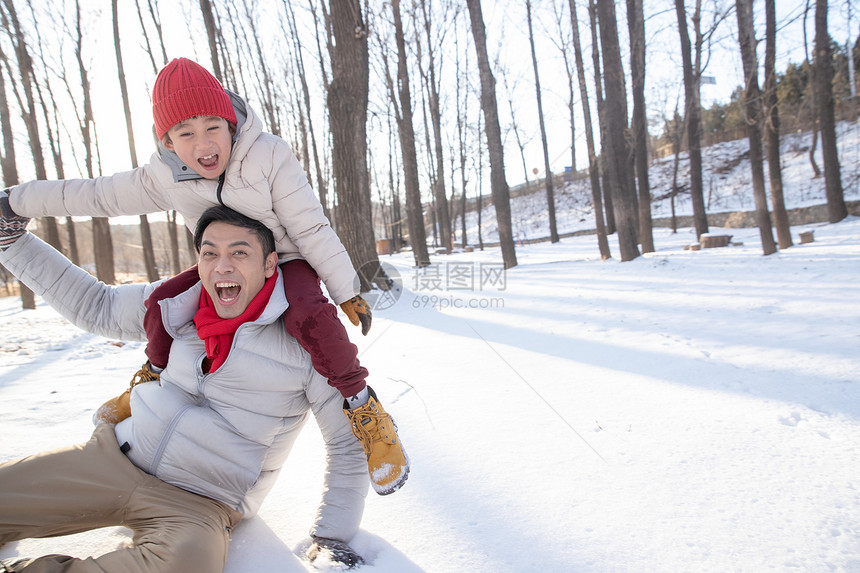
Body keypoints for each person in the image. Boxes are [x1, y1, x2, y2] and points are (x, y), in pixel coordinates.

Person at [4, 57, 408, 495]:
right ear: (169, 142)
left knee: (312, 317)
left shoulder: (267, 155)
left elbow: (311, 226)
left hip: (288, 260)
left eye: (213, 126)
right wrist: (16, 202)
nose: (203, 143)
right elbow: (97, 194)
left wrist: (345, 289)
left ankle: (366, 412)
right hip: (224, 266)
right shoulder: (163, 177)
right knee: (164, 303)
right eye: (186, 133)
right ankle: (150, 379)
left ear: (231, 122)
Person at [0, 203, 369, 571]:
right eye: (210, 253)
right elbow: (98, 304)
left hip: (200, 501)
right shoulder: (178, 305)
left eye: (240, 252)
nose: (222, 265)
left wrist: (331, 537)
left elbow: (347, 443)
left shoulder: (312, 341)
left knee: (187, 563)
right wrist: (12, 241)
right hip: (114, 458)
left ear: (270, 264)